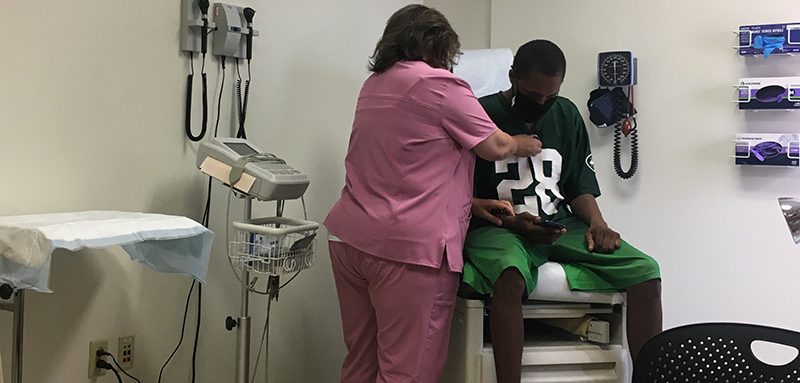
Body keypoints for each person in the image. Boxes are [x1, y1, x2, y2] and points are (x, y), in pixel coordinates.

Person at [323, 5, 541, 383]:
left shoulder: (374, 84)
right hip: (406, 254)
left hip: (350, 240)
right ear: (439, 48)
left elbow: (401, 164)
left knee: (361, 363)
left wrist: (468, 203)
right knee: (409, 373)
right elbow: (496, 147)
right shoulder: (439, 84)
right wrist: (523, 143)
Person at [463, 39, 663, 383]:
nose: (540, 104)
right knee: (509, 273)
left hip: (557, 222)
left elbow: (578, 186)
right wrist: (513, 223)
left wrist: (598, 223)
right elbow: (461, 197)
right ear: (512, 77)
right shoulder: (479, 114)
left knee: (646, 271)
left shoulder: (566, 114)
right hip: (497, 225)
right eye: (532, 94)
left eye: (549, 97)